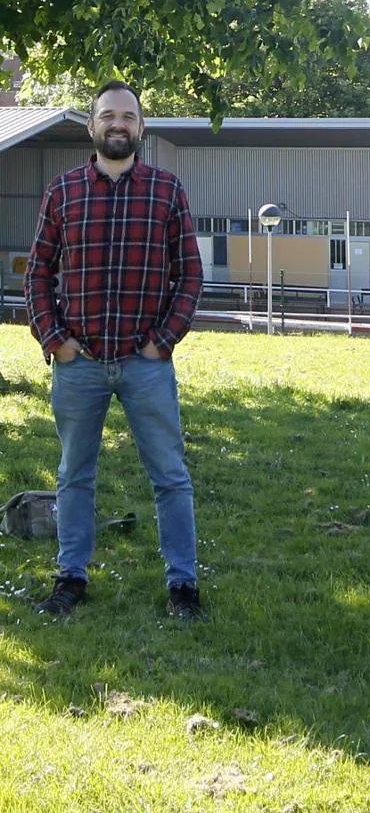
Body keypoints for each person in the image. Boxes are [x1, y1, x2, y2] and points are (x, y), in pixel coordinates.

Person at [24, 80, 206, 620]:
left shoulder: (167, 191)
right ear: (92, 126)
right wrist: (54, 341)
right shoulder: (63, 191)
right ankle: (71, 577)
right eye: (108, 116)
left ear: (142, 127)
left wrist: (163, 340)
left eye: (128, 116)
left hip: (144, 363)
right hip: (78, 365)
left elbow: (190, 275)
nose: (118, 124)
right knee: (73, 476)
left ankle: (183, 586)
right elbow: (37, 273)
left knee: (170, 476)